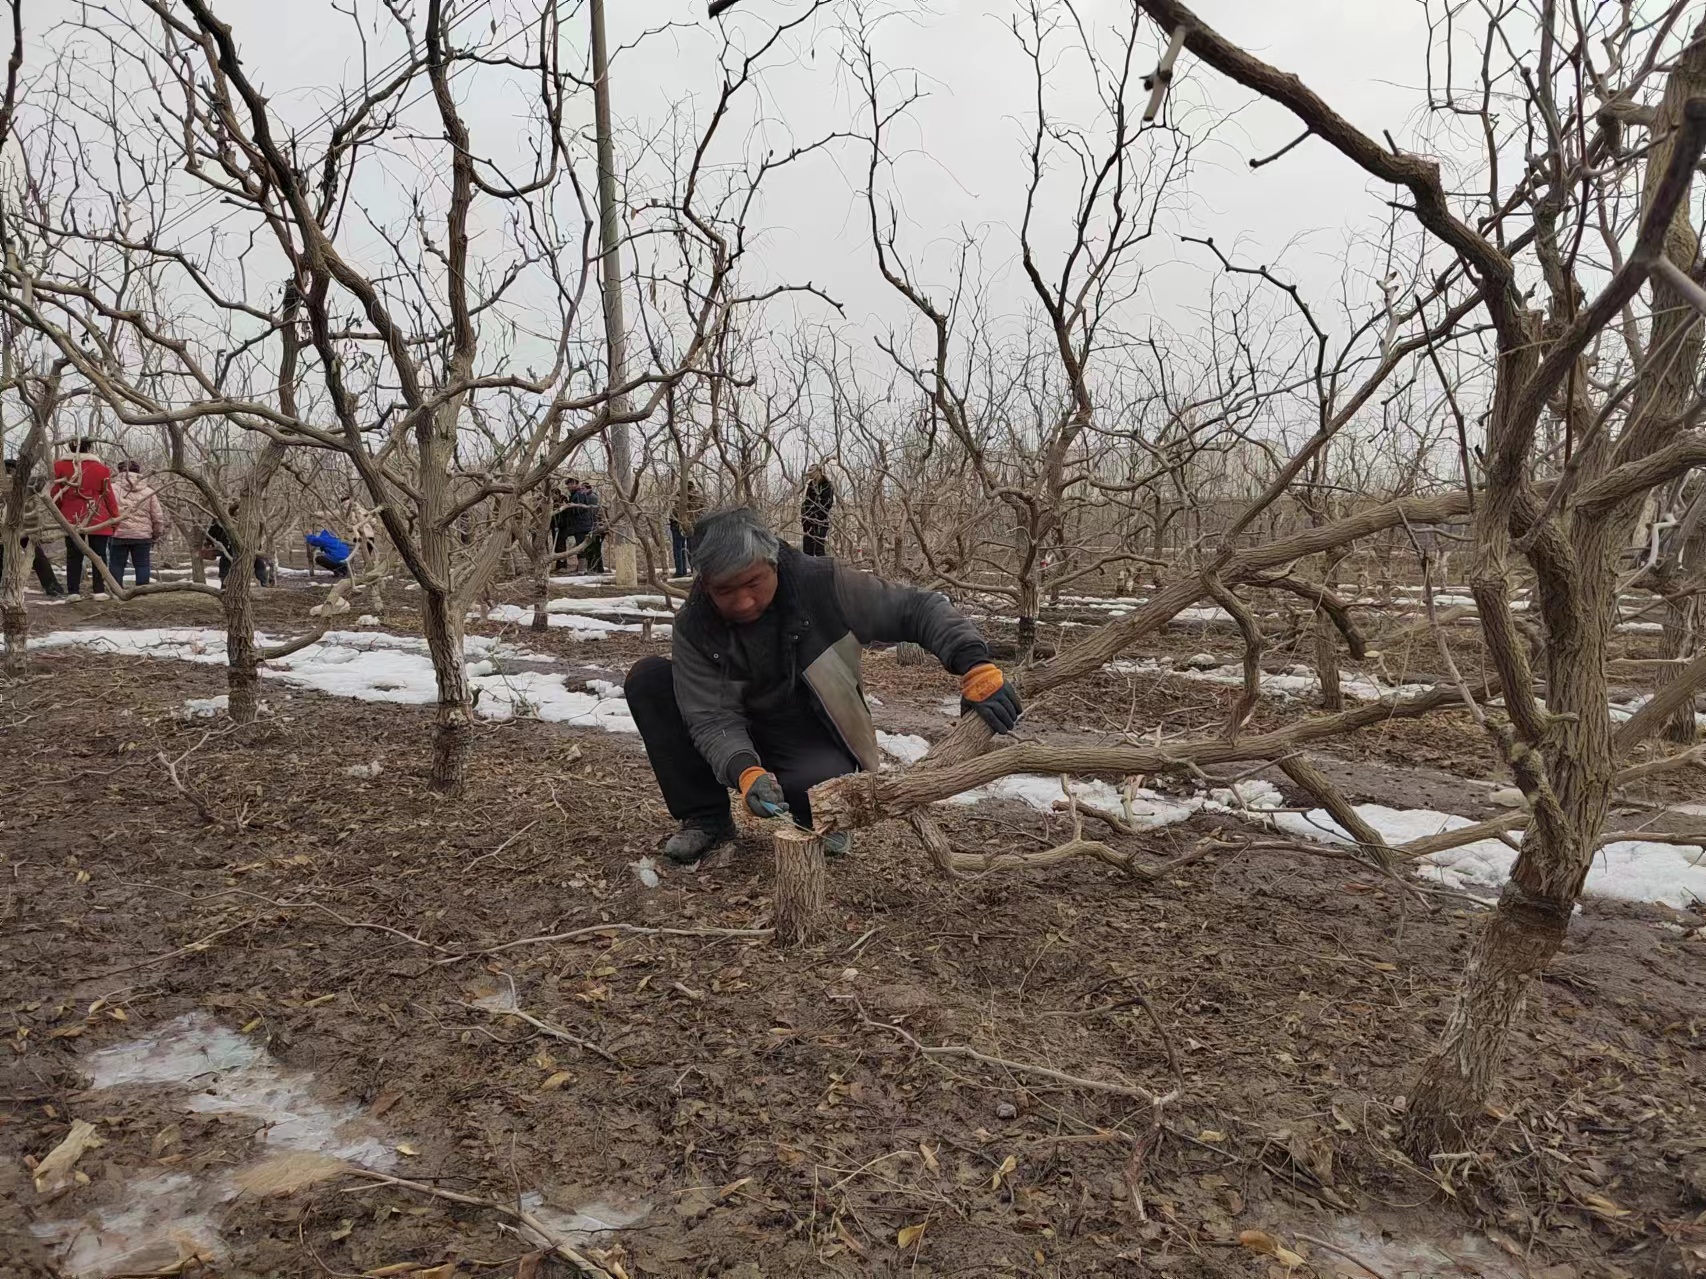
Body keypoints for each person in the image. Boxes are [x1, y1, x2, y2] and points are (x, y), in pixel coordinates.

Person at [624, 507, 1021, 864]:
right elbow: (710, 718)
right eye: (725, 591)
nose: (743, 602)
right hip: (740, 726)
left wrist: (976, 666)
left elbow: (916, 609)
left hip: (813, 724)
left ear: (773, 562)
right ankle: (706, 818)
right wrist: (744, 771)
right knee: (651, 680)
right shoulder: (695, 624)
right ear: (705, 585)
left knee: (816, 806)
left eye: (753, 583)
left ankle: (816, 806)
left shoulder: (823, 585)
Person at [50, 438, 120, 597]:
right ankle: (99, 591)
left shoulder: (59, 466)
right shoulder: (101, 468)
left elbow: (55, 493)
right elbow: (108, 495)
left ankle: (73, 592)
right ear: (90, 448)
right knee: (99, 555)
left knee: (73, 555)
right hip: (97, 514)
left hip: (71, 517)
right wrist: (115, 517)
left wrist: (61, 512)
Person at [1, 456, 64, 597]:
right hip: (24, 527)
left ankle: (2, 586)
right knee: (36, 554)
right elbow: (32, 508)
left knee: (2, 554)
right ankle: (52, 586)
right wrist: (34, 531)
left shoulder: (5, 484)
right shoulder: (23, 485)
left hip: (5, 527)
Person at [107, 461, 167, 587]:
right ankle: (142, 590)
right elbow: (157, 516)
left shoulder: (111, 489)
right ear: (138, 472)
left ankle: (116, 590)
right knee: (142, 565)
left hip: (118, 533)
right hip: (142, 535)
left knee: (116, 564)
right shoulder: (148, 491)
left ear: (119, 472)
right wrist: (156, 533)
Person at [205, 504, 275, 587]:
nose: (239, 515)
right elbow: (212, 532)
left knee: (259, 564)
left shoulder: (250, 523)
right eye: (237, 513)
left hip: (247, 548)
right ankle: (224, 586)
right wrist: (209, 542)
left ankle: (264, 584)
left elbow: (257, 538)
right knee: (225, 565)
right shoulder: (224, 521)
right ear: (233, 513)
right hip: (229, 548)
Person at [567, 478, 603, 573]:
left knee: (582, 547)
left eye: (570, 484)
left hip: (582, 524)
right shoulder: (578, 494)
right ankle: (585, 568)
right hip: (583, 524)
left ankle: (582, 569)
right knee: (584, 546)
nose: (568, 486)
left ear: (575, 483)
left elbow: (579, 510)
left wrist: (570, 508)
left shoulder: (579, 494)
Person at [668, 478, 702, 578]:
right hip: (685, 525)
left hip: (682, 524)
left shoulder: (690, 499)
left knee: (683, 548)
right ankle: (686, 571)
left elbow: (677, 511)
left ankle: (683, 571)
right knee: (688, 548)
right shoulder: (697, 498)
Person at [801, 464, 834, 557]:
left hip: (820, 522)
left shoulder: (827, 485)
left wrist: (816, 515)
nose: (810, 474)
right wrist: (805, 517)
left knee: (819, 549)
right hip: (808, 522)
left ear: (818, 471)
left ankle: (822, 570)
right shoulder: (811, 485)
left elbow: (827, 504)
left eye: (812, 471)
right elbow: (806, 501)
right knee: (807, 550)